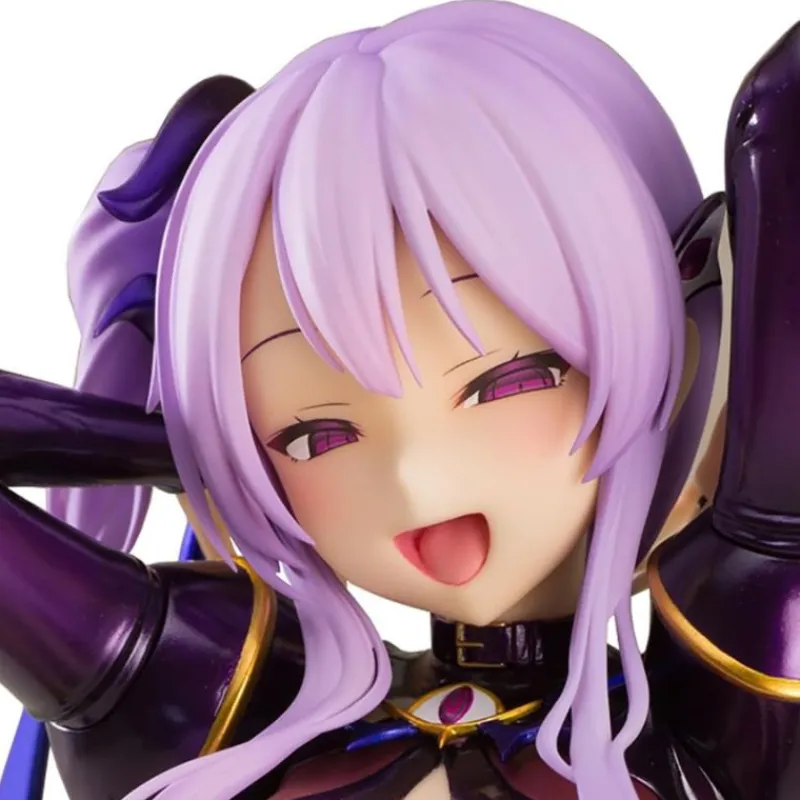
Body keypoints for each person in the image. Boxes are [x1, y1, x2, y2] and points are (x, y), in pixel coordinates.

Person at [0, 2, 796, 798]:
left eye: (510, 382)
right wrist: (184, 442)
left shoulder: (701, 727)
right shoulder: (240, 716)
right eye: (314, 436)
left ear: (682, 337)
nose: (414, 476)